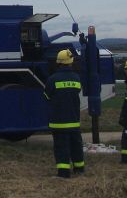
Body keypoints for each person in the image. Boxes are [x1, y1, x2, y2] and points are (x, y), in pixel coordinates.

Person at [43, 49, 85, 178]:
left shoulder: (53, 79)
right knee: (76, 146)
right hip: (74, 120)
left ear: (58, 63)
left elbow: (46, 96)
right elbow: (77, 91)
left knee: (62, 148)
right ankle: (79, 169)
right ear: (71, 62)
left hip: (59, 121)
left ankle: (63, 173)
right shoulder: (76, 78)